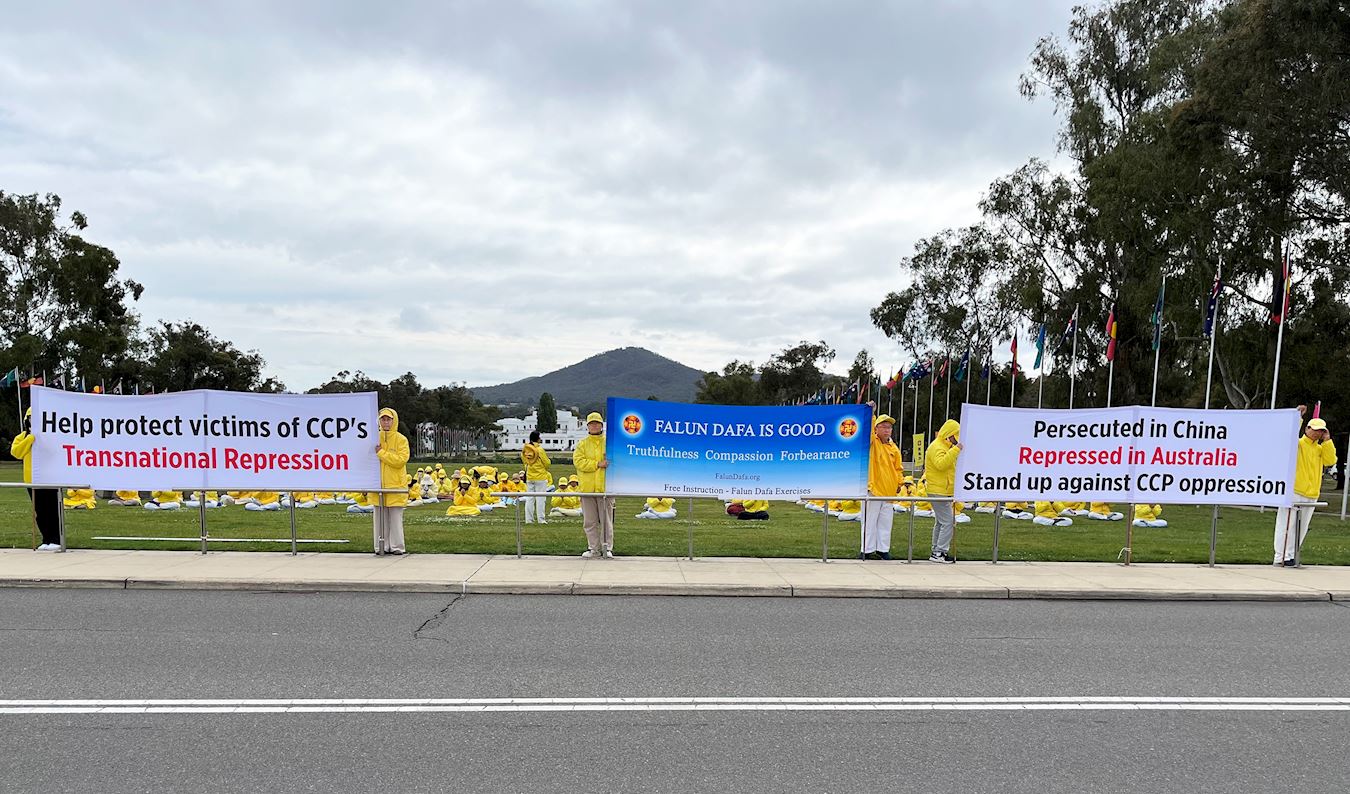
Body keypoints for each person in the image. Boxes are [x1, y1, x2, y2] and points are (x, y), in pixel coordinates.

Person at [1274, 408, 1338, 566]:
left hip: (1311, 493)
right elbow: (1288, 438)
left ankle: (1291, 555)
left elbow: (1330, 461)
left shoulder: (1320, 449)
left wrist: (1327, 440)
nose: (1317, 433)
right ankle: (1280, 556)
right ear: (1307, 429)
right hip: (1294, 491)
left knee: (1302, 526)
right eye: (1314, 429)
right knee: (1286, 525)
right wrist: (1298, 418)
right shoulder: (1298, 444)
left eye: (1320, 431)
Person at [10, 407, 61, 550]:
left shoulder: (50, 436)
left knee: (52, 510)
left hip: (50, 479)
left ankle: (56, 539)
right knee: (40, 511)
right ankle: (46, 539)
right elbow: (16, 453)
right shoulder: (22, 437)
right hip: (31, 480)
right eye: (32, 418)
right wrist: (30, 438)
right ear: (27, 420)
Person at [862, 414, 903, 560]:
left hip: (889, 492)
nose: (887, 430)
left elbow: (898, 468)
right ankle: (866, 550)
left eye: (889, 427)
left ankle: (882, 549)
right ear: (876, 428)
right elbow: (867, 432)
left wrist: (900, 483)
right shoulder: (873, 443)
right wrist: (871, 414)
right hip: (874, 490)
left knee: (885, 523)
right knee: (869, 521)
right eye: (883, 427)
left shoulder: (894, 448)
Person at [574, 411, 613, 558]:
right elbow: (579, 462)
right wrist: (597, 464)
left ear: (602, 425)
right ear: (588, 426)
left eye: (597, 423)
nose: (594, 426)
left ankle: (607, 548)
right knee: (590, 521)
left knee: (606, 521)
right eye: (592, 423)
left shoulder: (610, 442)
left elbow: (616, 460)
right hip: (587, 489)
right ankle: (593, 549)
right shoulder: (582, 444)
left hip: (606, 489)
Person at [923, 419, 962, 563]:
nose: (956, 441)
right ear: (949, 435)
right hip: (938, 491)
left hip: (941, 490)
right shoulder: (937, 447)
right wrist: (956, 450)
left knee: (941, 522)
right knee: (948, 522)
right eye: (955, 437)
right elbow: (941, 465)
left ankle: (936, 551)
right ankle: (939, 552)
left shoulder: (942, 446)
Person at [373, 407, 410, 554]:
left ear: (394, 421)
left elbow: (400, 460)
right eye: (383, 419)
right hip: (377, 484)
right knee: (379, 519)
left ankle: (397, 547)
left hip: (395, 485)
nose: (386, 422)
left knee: (395, 519)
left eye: (388, 419)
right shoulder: (374, 437)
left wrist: (381, 453)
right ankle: (380, 546)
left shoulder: (401, 439)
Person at [522, 430, 552, 525]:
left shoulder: (526, 449)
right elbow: (547, 463)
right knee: (540, 499)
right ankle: (541, 519)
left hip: (530, 477)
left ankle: (529, 520)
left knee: (529, 499)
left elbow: (524, 461)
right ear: (538, 438)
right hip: (540, 477)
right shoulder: (539, 449)